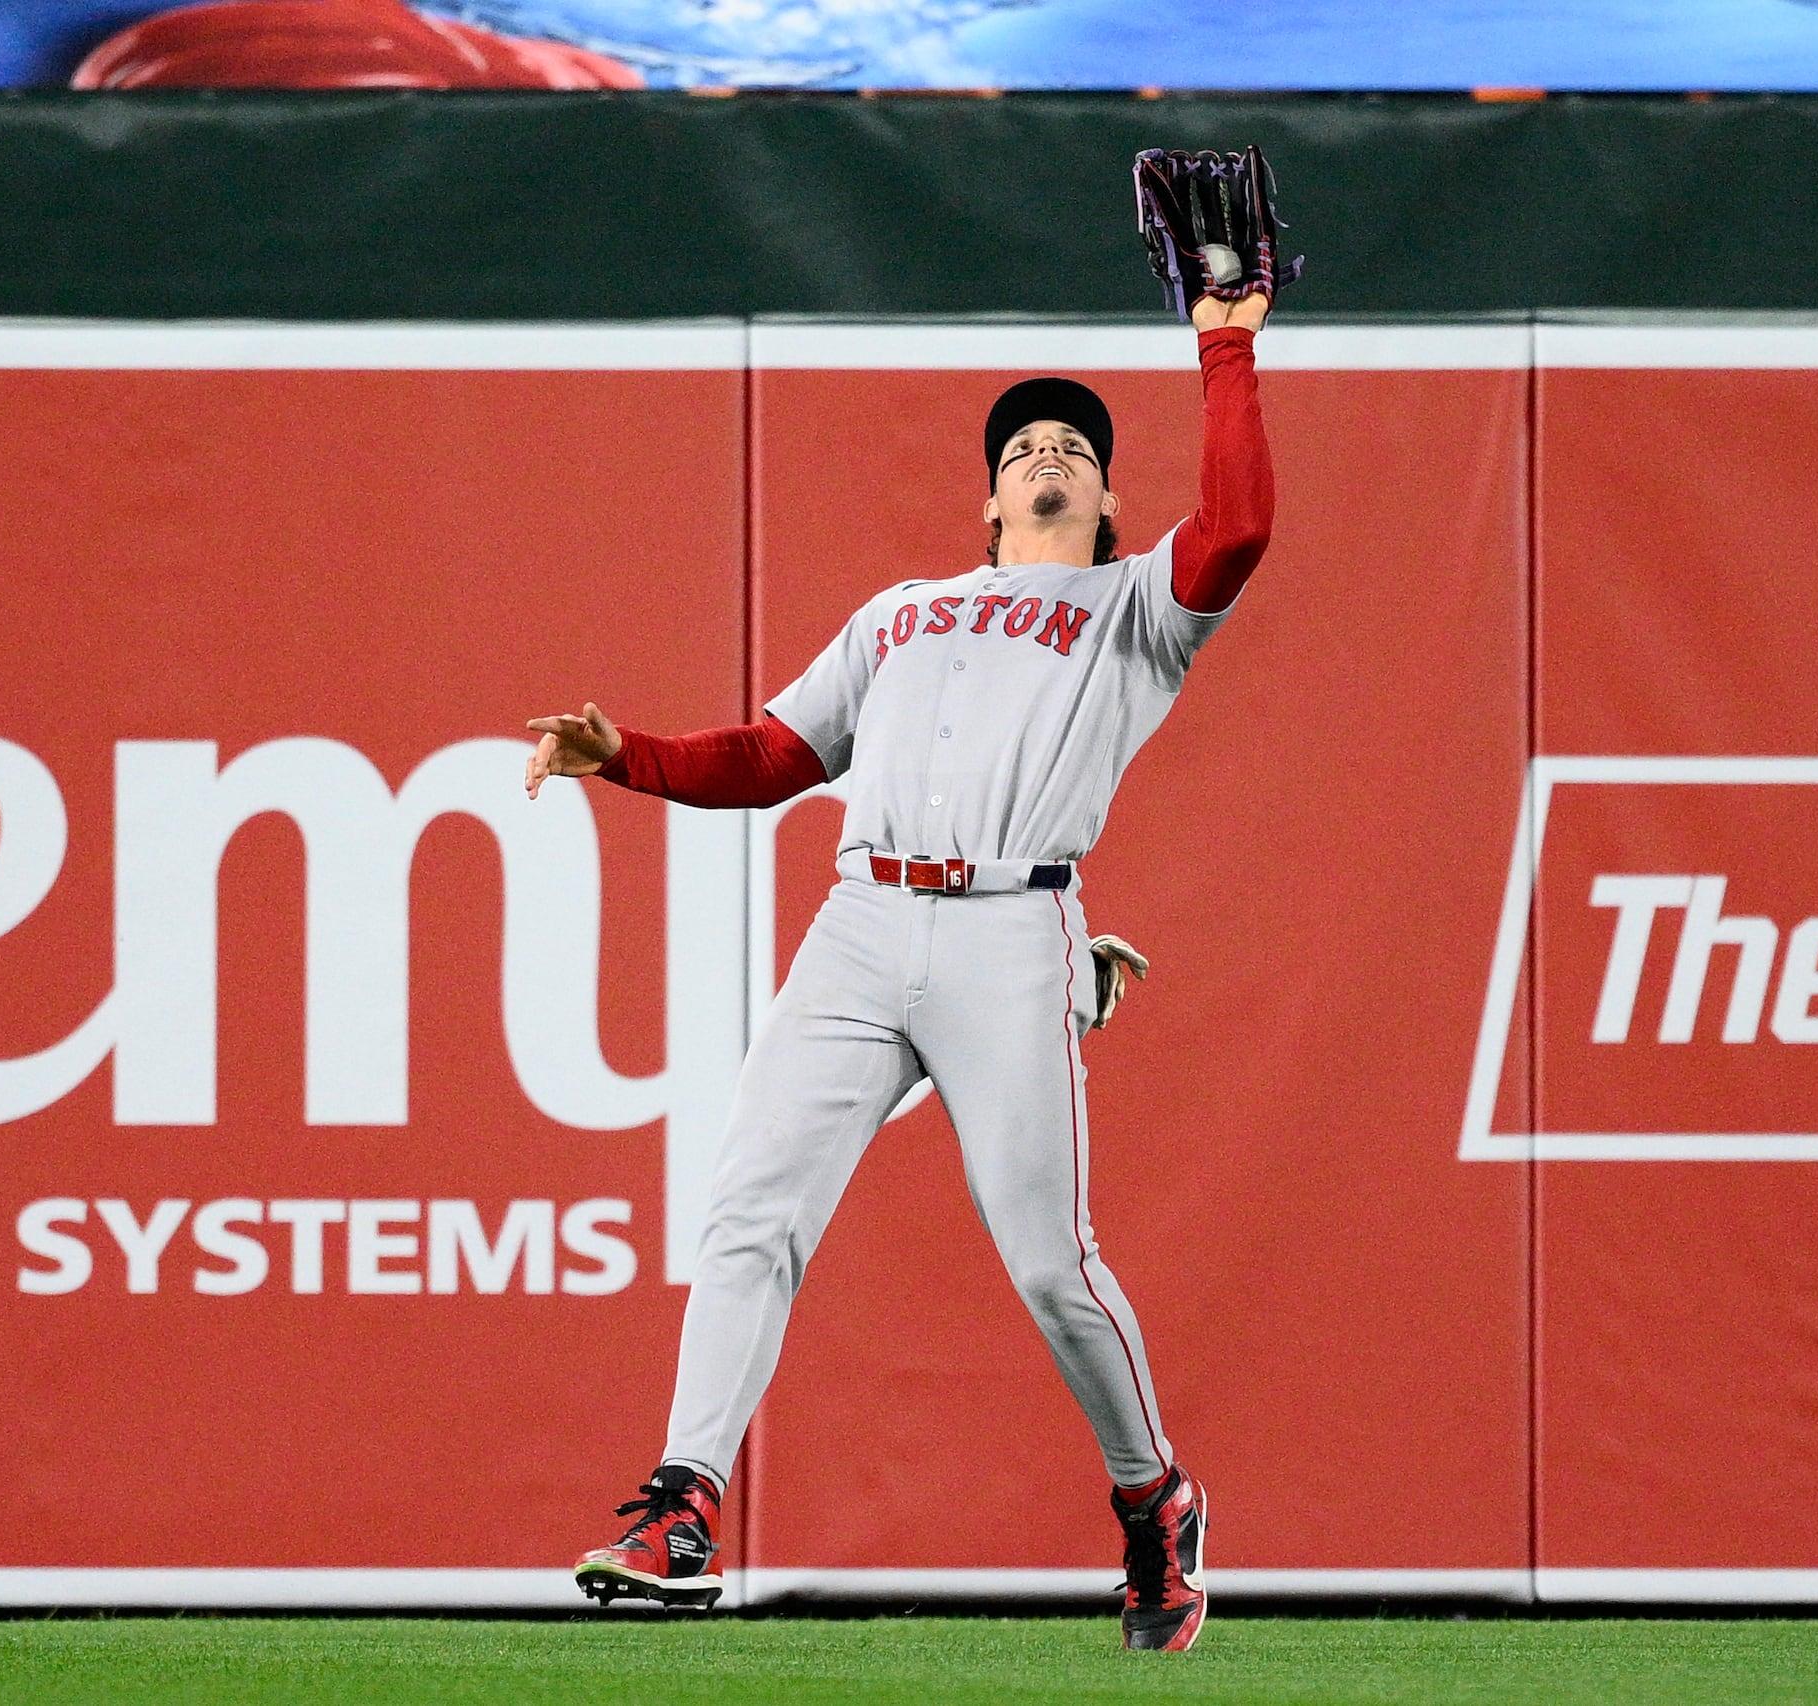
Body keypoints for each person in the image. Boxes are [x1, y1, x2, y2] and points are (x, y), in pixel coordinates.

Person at [524, 286, 1272, 1652]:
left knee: (1051, 1264)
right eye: (1020, 448)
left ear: (1107, 499)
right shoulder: (904, 611)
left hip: (1010, 924)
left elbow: (1240, 529)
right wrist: (619, 752)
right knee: (752, 1201)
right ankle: (683, 1503)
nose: (1044, 452)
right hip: (862, 923)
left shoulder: (1132, 609)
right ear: (987, 502)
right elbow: (770, 760)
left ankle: (1154, 1493)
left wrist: (1224, 344)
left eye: (1073, 446)